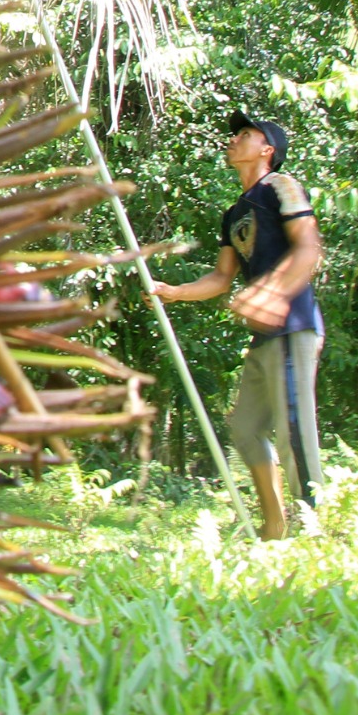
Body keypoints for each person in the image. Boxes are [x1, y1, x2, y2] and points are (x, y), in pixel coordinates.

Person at [149, 109, 324, 539]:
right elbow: (220, 278)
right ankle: (274, 526)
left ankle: (313, 527)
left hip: (292, 324)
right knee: (244, 428)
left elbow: (309, 249)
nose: (234, 139)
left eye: (245, 134)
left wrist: (271, 293)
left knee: (294, 430)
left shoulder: (281, 186)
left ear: (267, 150)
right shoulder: (234, 213)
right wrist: (171, 291)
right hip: (264, 335)